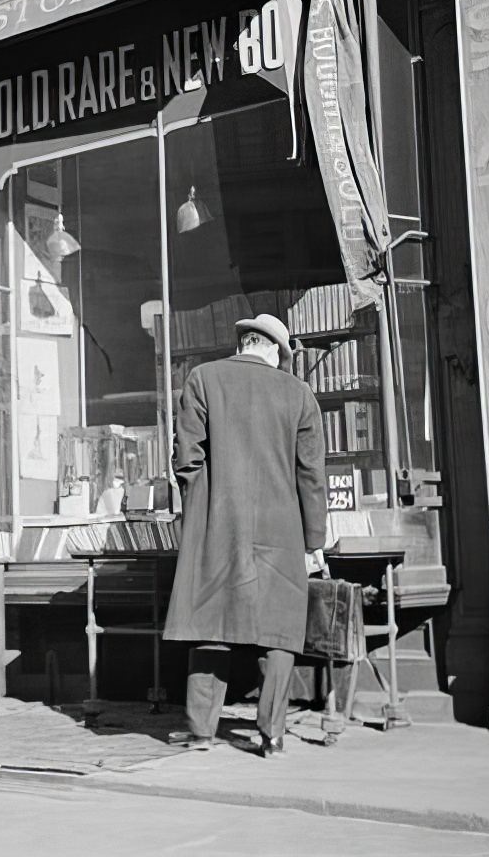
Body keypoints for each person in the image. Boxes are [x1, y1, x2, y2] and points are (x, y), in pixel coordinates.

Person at [164, 314, 327, 759]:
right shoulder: (298, 393)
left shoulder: (203, 379)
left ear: (244, 342)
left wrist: (201, 510)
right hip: (282, 529)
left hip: (219, 524)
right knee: (278, 633)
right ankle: (272, 736)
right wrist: (314, 541)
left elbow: (187, 461)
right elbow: (311, 475)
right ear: (274, 350)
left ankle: (201, 731)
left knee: (211, 625)